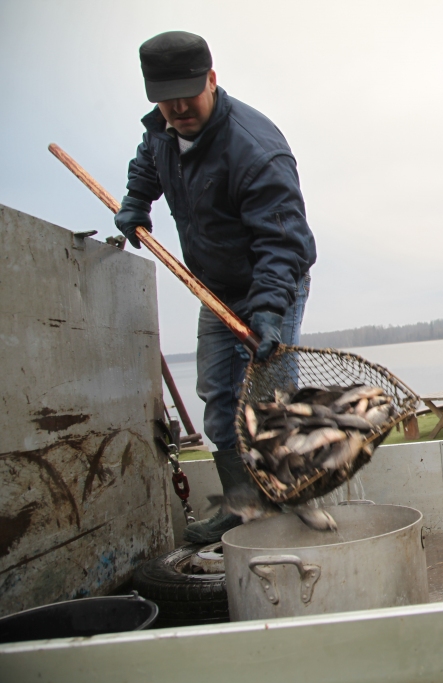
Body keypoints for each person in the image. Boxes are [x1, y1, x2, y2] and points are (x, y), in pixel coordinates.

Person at [115, 31, 317, 544]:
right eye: (166, 98)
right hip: (215, 288)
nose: (179, 107)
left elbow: (283, 242)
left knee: (269, 401)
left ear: (212, 79)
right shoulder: (163, 129)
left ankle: (298, 504)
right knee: (217, 395)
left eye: (190, 93)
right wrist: (137, 201)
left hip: (271, 283)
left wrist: (270, 310)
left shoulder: (255, 148)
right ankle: (244, 505)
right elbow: (149, 161)